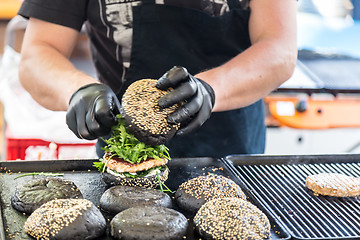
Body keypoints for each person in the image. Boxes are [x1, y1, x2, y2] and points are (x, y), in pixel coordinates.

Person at [17, 0, 297, 158]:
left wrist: (210, 91)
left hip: (229, 152)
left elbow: (279, 48)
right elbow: (38, 53)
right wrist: (77, 90)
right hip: (124, 152)